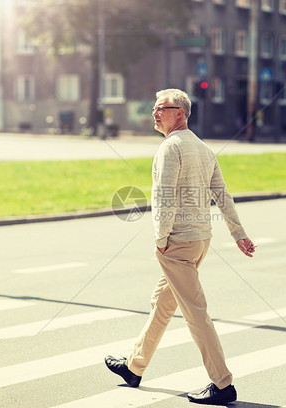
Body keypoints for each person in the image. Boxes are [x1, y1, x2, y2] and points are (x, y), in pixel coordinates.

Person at [105, 89, 256, 405]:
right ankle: (134, 367)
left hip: (177, 243)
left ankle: (222, 384)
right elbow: (223, 195)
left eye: (162, 108)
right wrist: (238, 234)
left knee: (195, 313)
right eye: (154, 108)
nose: (155, 113)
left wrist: (160, 241)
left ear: (181, 113)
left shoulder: (170, 147)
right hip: (200, 240)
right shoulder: (202, 148)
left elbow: (165, 198)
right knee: (162, 303)